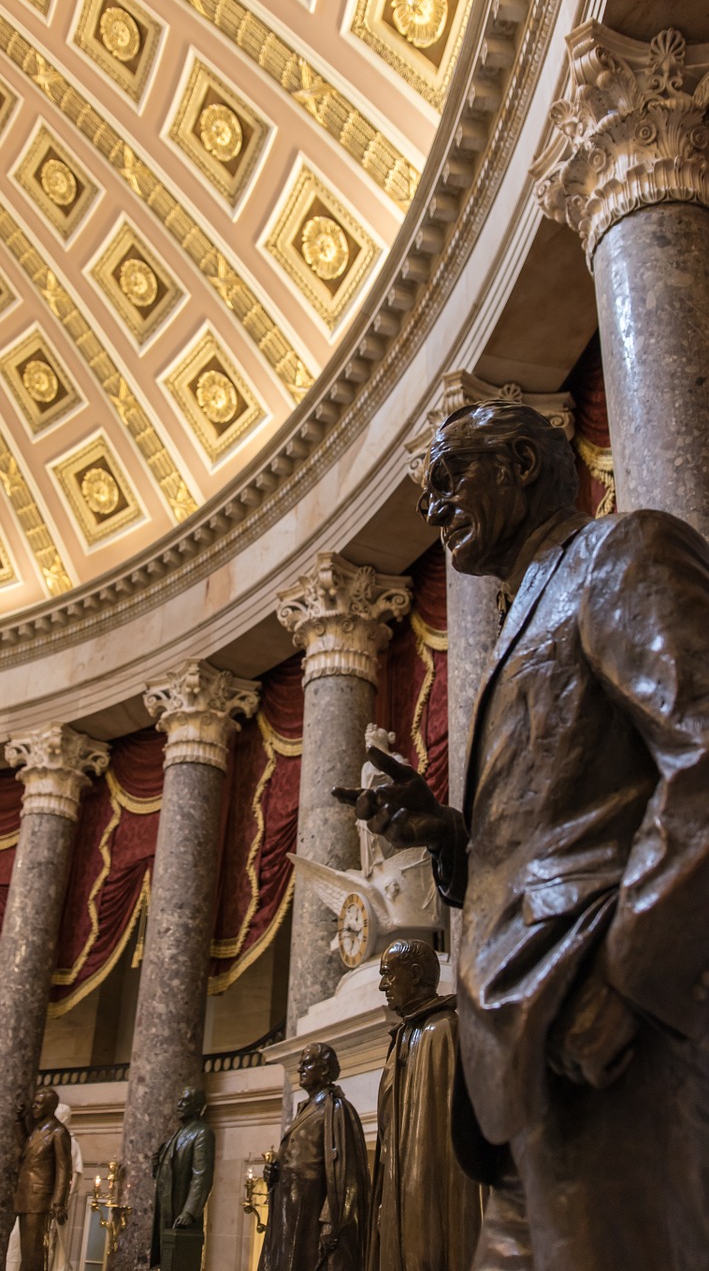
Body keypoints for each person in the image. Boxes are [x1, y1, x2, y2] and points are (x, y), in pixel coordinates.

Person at [335, 400, 709, 1271]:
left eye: (446, 478)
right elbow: (556, 829)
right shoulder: (519, 615)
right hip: (520, 1058)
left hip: (607, 1036)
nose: (431, 510)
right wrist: (450, 840)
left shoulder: (620, 553)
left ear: (522, 463)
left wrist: (626, 979)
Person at [368, 939, 484, 1271]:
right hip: (400, 1186)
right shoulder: (405, 1034)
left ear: (416, 974)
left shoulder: (443, 1030)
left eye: (389, 974)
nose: (382, 985)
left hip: (428, 1195)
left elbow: (450, 1143)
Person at [258, 1042, 369, 1271]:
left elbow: (346, 1174)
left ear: (325, 1070)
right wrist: (275, 1173)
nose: (300, 1069)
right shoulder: (307, 1109)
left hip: (312, 1214)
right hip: (290, 1210)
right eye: (300, 1064)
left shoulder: (335, 1109)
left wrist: (332, 1220)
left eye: (307, 1063)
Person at [7, 1102, 83, 1271]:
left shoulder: (64, 1138)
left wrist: (59, 1203)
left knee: (40, 1248)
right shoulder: (39, 1135)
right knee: (18, 1242)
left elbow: (68, 1174)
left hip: (45, 1202)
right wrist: (19, 1121)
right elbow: (25, 1146)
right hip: (28, 1198)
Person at [150, 1086, 215, 1269]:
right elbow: (169, 1173)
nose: (179, 1104)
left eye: (185, 1101)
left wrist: (189, 1212)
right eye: (179, 1100)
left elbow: (202, 1176)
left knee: (177, 1260)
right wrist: (157, 1166)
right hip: (165, 1205)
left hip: (180, 1208)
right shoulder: (178, 1133)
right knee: (164, 1258)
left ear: (197, 1107)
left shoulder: (202, 1133)